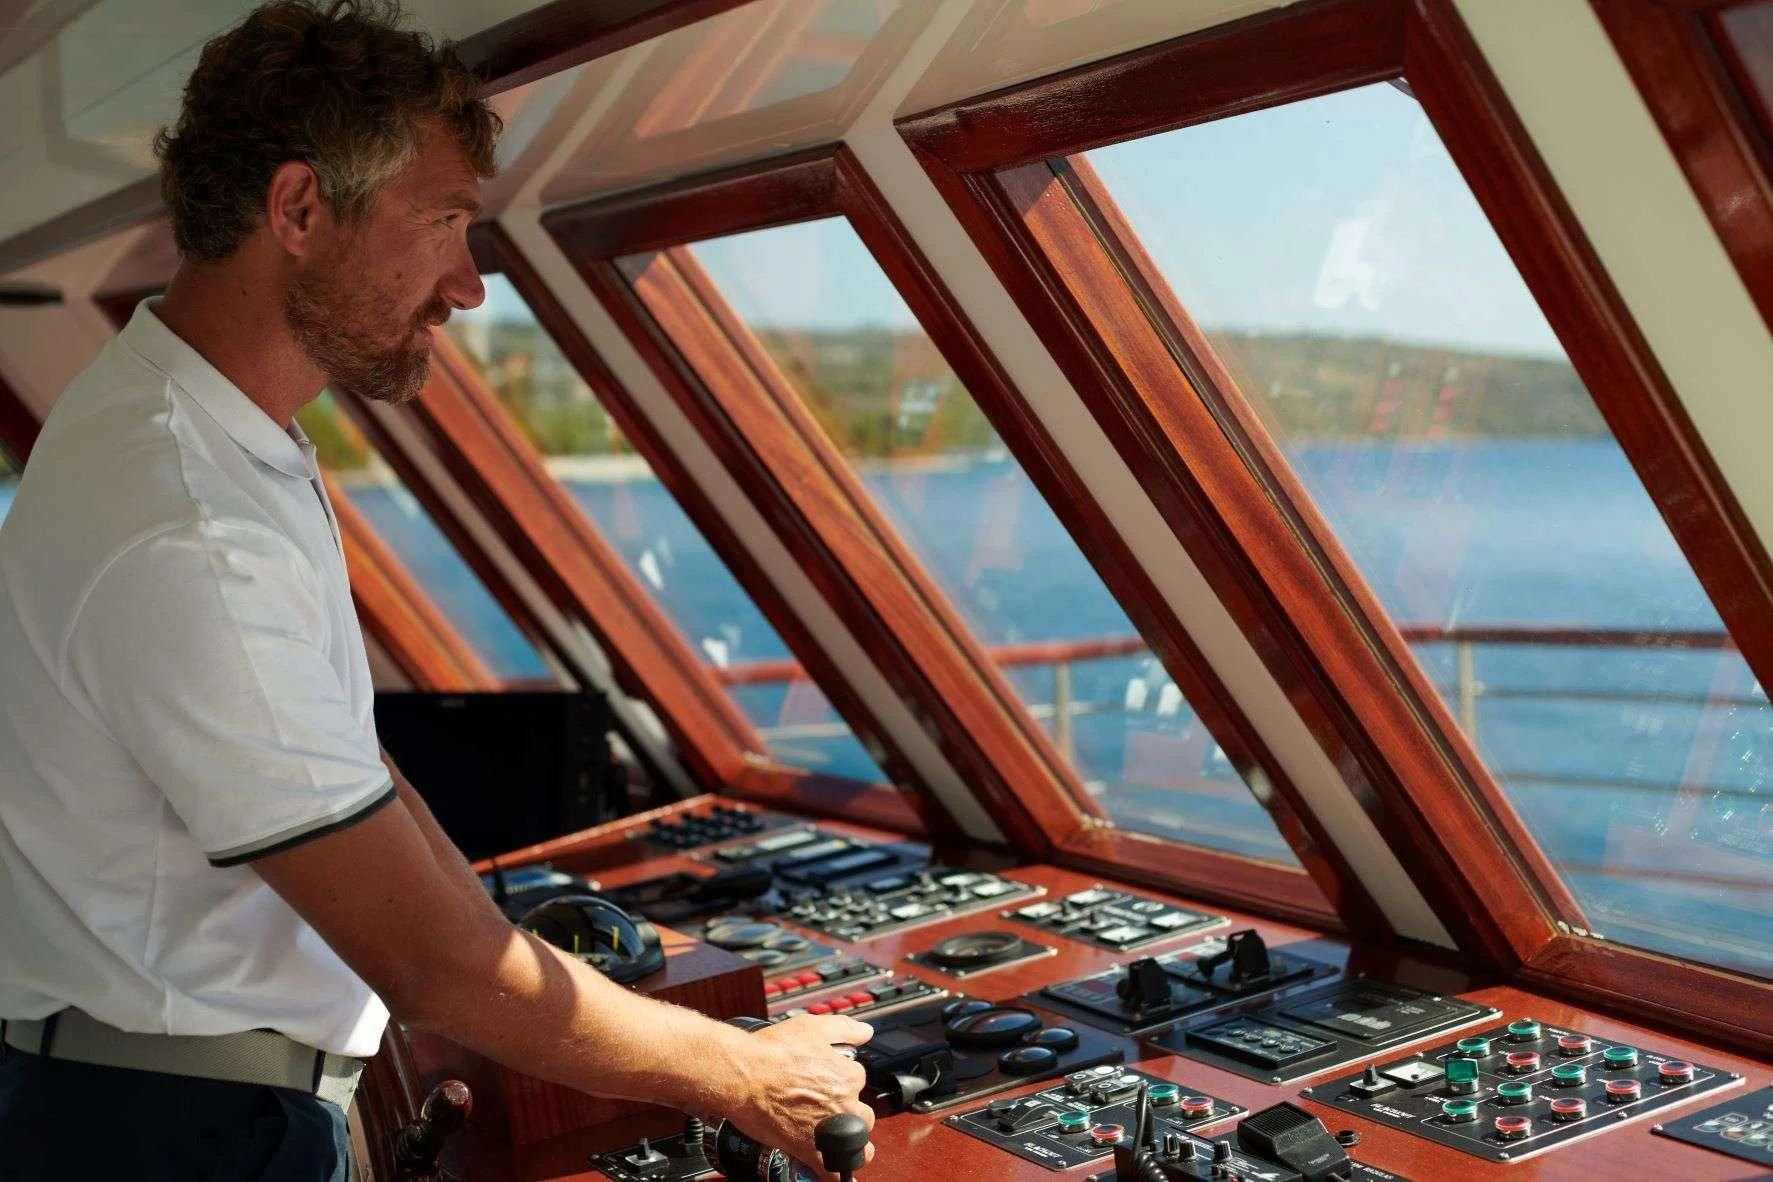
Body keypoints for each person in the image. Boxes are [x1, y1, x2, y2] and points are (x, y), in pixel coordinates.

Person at [0, 3, 873, 1179]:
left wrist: (474, 929)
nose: (469, 285)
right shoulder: (188, 522)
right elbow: (436, 971)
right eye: (446, 222)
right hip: (178, 1133)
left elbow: (348, 772)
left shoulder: (199, 432)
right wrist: (750, 1075)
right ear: (300, 210)